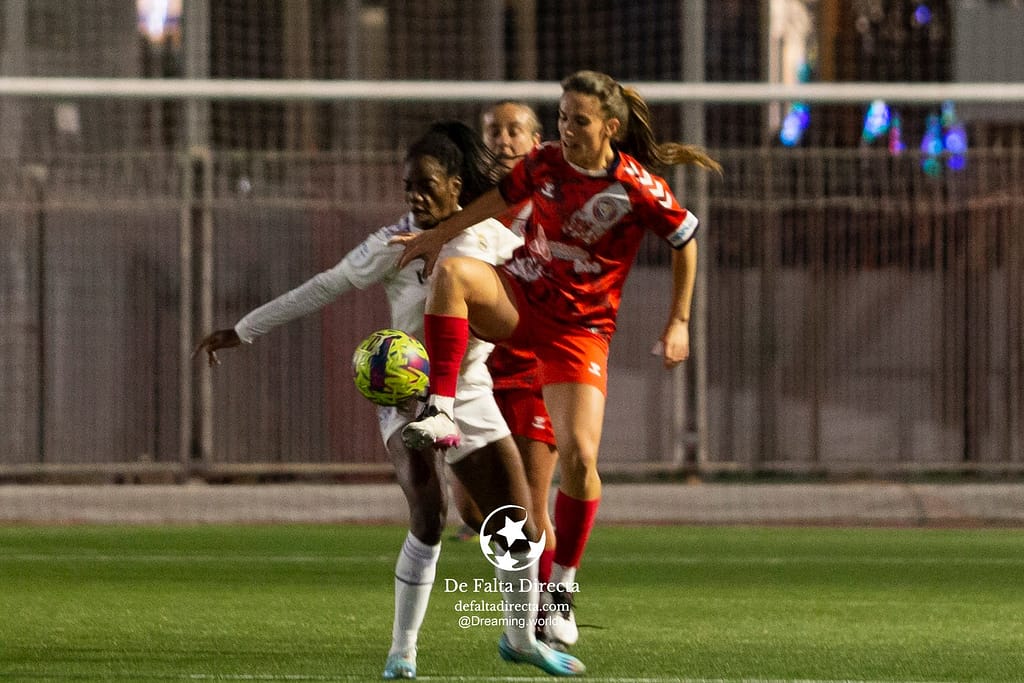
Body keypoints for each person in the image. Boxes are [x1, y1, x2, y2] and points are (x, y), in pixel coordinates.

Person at [193, 121, 584, 679]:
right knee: (428, 518)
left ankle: (519, 639)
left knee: (517, 525)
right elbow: (322, 286)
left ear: (456, 185)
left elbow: (539, 276)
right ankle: (402, 653)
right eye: (407, 186)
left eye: (426, 184)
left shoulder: (492, 237)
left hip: (470, 393)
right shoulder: (391, 243)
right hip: (405, 399)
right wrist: (243, 329)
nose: (414, 196)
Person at [394, 71, 722, 644]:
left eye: (580, 120)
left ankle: (559, 591)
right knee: (453, 273)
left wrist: (679, 321)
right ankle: (441, 406)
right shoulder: (544, 164)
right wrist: (435, 234)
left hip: (579, 332)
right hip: (523, 303)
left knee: (580, 458)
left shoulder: (638, 186)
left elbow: (685, 239)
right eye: (563, 116)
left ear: (609, 128)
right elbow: (500, 196)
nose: (567, 129)